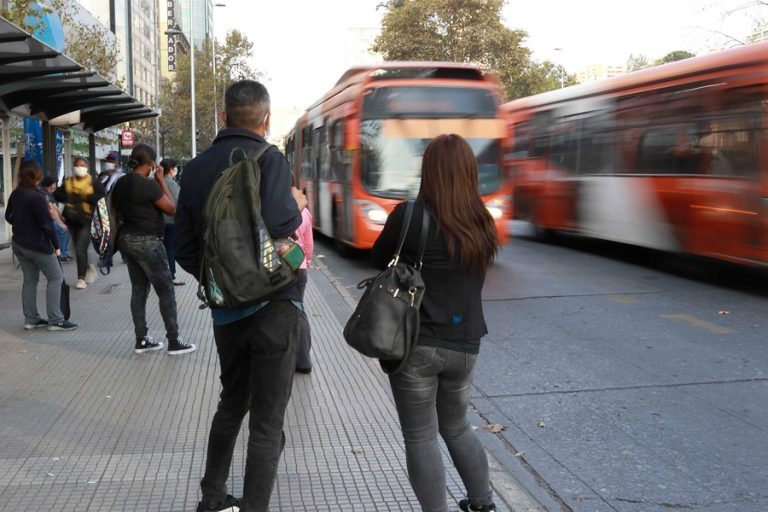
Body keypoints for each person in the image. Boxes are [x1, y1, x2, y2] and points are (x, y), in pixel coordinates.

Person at [176, 79, 307, 512]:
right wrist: (299, 202)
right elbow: (283, 228)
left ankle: (212, 498)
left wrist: (223, 282)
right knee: (268, 425)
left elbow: (184, 248)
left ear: (222, 116)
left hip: (226, 315)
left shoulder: (194, 169)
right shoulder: (272, 160)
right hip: (275, 307)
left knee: (231, 402)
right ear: (266, 121)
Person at [371, 134, 500, 512]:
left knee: (420, 436)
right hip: (465, 345)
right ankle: (483, 503)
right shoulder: (483, 220)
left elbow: (380, 259)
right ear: (469, 173)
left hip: (416, 344)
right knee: (458, 426)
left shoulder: (409, 217)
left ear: (428, 171)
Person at [110, 143, 196, 356]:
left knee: (139, 290)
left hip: (127, 239)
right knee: (166, 289)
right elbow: (172, 208)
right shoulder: (149, 185)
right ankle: (174, 341)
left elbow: (116, 211)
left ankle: (142, 339)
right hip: (148, 241)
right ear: (150, 163)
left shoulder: (120, 183)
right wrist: (160, 181)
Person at [5, 160, 78, 331]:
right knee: (55, 277)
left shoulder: (16, 193)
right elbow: (46, 224)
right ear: (35, 175)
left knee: (30, 280)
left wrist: (22, 223)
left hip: (19, 243)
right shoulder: (37, 197)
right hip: (37, 245)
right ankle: (56, 319)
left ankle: (31, 319)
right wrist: (57, 245)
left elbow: (8, 216)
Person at [53, 157, 106, 289]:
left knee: (80, 248)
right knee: (77, 249)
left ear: (86, 167)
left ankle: (81, 279)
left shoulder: (93, 181)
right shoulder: (69, 182)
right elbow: (57, 194)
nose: (80, 168)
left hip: (86, 220)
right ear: (74, 167)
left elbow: (102, 194)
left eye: (82, 165)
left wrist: (86, 197)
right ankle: (87, 267)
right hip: (71, 219)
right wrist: (70, 197)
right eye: (78, 165)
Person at [294, 206, 314, 373]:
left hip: (278, 267)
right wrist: (305, 264)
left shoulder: (271, 205)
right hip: (299, 266)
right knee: (299, 310)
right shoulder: (304, 211)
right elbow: (308, 245)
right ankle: (303, 360)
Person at [158, 157, 184, 285]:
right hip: (169, 222)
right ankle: (171, 275)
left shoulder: (155, 181)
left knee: (160, 250)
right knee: (170, 249)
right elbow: (177, 203)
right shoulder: (171, 183)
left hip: (157, 222)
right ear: (172, 169)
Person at [41, 176, 71, 262]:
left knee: (67, 229)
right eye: (54, 183)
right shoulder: (44, 193)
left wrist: (62, 218)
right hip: (46, 221)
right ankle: (61, 255)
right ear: (50, 185)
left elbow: (54, 206)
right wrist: (61, 223)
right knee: (62, 229)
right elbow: (52, 210)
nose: (56, 185)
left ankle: (64, 253)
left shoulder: (49, 193)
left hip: (50, 219)